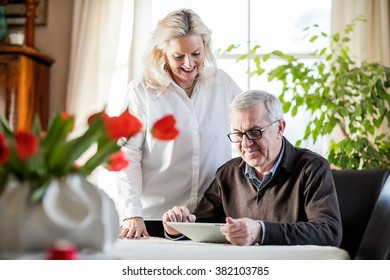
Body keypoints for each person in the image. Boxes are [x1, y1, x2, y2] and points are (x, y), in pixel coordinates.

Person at [117, 9, 242, 239]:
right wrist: (132, 213)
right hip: (153, 219)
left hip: (211, 217)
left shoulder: (222, 84)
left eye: (196, 53)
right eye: (178, 56)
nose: (189, 63)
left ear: (205, 46)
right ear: (163, 52)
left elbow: (252, 130)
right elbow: (127, 155)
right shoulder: (142, 91)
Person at [162, 90, 342, 246]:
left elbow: (329, 232)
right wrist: (179, 227)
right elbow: (201, 225)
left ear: (280, 128)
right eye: (238, 134)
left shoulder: (312, 168)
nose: (246, 143)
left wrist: (260, 232)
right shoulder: (227, 173)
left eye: (255, 132)